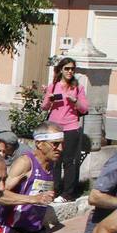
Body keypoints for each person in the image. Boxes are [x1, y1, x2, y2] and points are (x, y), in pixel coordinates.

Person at [44, 57, 89, 201]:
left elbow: (85, 108)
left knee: (69, 162)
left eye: (72, 69)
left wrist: (75, 101)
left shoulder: (78, 88)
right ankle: (54, 190)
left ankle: (67, 194)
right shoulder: (53, 86)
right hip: (54, 128)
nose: (70, 71)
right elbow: (44, 107)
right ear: (61, 70)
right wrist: (49, 99)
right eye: (67, 69)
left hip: (71, 128)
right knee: (54, 160)